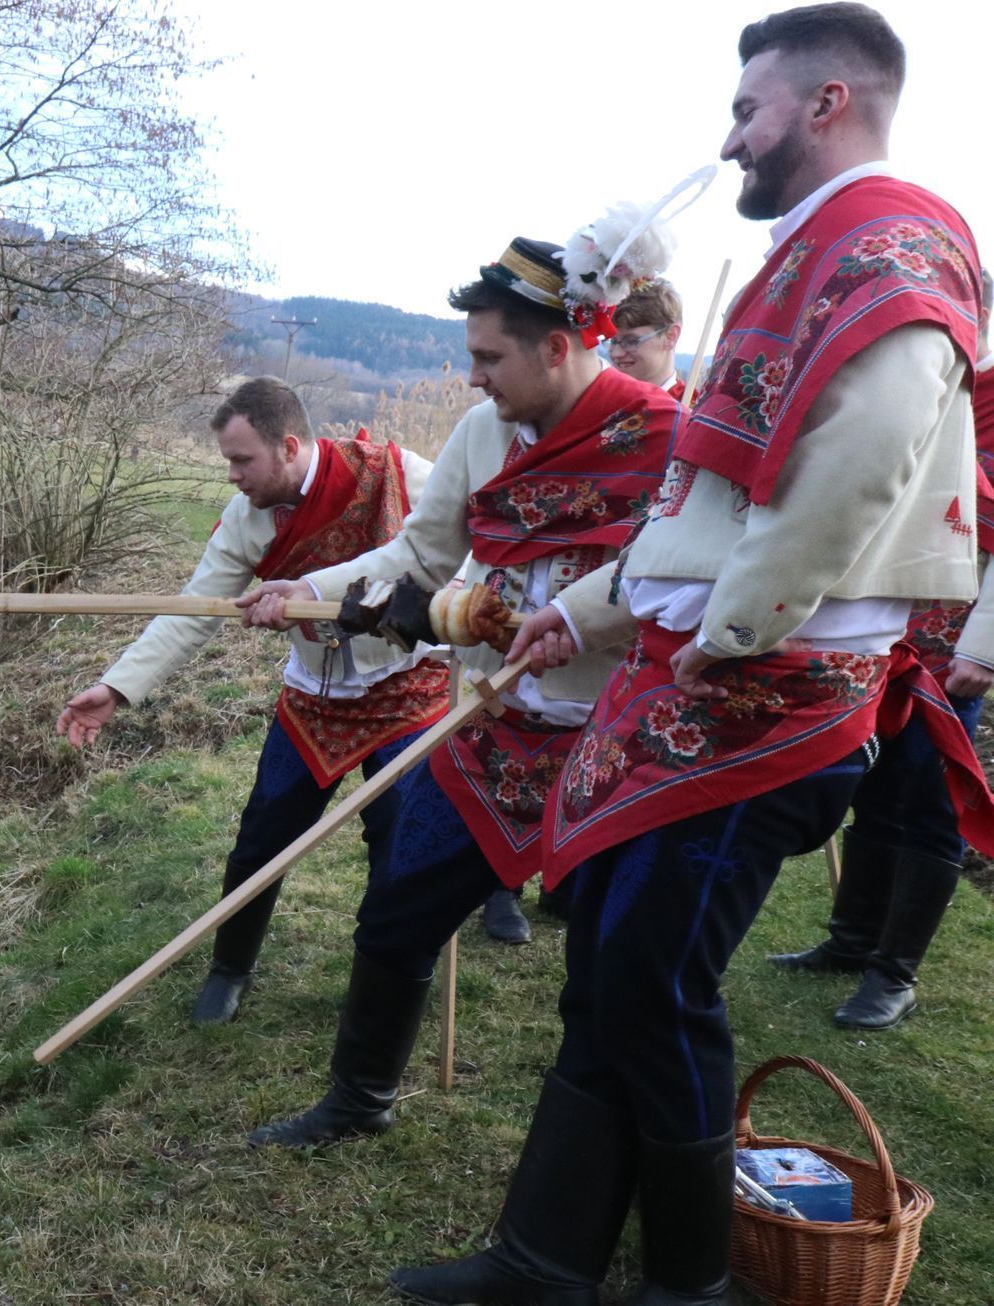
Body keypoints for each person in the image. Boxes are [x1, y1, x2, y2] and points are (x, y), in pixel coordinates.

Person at [390, 8, 992, 1304]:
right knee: (612, 959)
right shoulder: (810, 254)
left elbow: (859, 470)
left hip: (764, 703)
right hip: (698, 682)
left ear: (828, 101)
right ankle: (543, 1258)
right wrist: (595, 612)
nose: (730, 139)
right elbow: (698, 513)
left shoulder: (893, 244)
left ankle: (687, 1282)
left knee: (657, 984)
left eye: (747, 110)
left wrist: (716, 639)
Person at [236, 234, 679, 1147]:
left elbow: (681, 581)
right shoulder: (482, 434)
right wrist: (310, 594)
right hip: (491, 722)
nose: (473, 378)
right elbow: (419, 557)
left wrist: (584, 623)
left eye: (488, 358)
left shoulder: (668, 441)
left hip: (619, 742)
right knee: (396, 914)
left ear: (556, 346)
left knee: (610, 966)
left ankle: (599, 1158)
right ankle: (359, 1102)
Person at [56, 377, 449, 1024]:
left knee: (403, 844)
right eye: (228, 462)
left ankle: (384, 984)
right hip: (314, 695)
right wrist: (117, 688)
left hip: (406, 688)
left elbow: (458, 561)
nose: (233, 476)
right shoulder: (247, 521)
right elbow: (193, 612)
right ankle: (230, 967)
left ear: (289, 446)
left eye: (242, 460)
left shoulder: (402, 475)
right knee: (261, 836)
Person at [769, 266, 994, 1029]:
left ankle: (894, 975)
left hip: (955, 641)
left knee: (928, 804)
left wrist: (986, 650)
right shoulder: (929, 391)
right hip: (882, 632)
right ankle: (851, 938)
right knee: (873, 791)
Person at [607, 280, 687, 399]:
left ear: (671, 336)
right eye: (613, 341)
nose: (616, 353)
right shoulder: (598, 400)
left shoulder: (697, 412)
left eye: (631, 341)